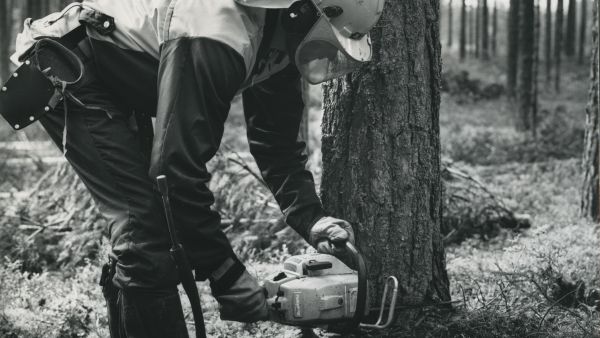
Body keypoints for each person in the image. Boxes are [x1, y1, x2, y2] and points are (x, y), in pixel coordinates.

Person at [2, 0, 384, 336]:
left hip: (121, 81)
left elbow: (277, 145)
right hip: (70, 68)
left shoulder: (280, 39)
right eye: (324, 37)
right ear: (300, 12)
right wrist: (227, 275)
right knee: (145, 233)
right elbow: (176, 171)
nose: (322, 51)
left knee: (147, 233)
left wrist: (310, 217)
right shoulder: (215, 31)